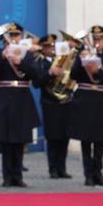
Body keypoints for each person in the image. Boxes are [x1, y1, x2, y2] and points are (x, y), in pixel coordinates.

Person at [0, 23, 41, 187]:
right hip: (4, 100)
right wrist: (2, 57)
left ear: (21, 37)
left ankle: (18, 176)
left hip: (22, 100)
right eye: (11, 36)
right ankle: (7, 176)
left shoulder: (28, 55)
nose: (14, 38)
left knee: (20, 140)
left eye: (17, 35)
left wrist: (21, 62)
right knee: (6, 141)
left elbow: (36, 74)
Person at [70, 25, 103, 186]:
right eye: (95, 38)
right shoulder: (83, 54)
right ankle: (88, 175)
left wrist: (96, 70)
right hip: (84, 98)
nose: (97, 41)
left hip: (101, 99)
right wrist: (81, 61)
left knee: (99, 138)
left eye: (100, 38)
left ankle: (98, 172)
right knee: (86, 139)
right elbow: (73, 75)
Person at [35, 33, 73, 179]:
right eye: (48, 47)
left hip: (65, 102)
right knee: (53, 137)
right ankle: (53, 169)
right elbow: (37, 82)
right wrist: (50, 73)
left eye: (53, 46)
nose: (51, 49)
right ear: (43, 49)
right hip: (50, 104)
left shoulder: (64, 61)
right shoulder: (40, 62)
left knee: (65, 137)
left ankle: (62, 168)